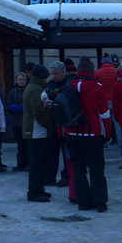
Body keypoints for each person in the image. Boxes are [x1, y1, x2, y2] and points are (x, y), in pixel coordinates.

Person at [63, 56, 113, 212]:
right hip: (92, 133)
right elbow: (104, 113)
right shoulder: (97, 87)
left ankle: (83, 201)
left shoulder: (69, 86)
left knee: (78, 169)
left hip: (72, 133)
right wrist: (108, 133)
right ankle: (100, 202)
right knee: (97, 169)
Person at [23, 64, 53, 201]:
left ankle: (38, 189)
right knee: (37, 162)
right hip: (36, 131)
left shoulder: (32, 87)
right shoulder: (36, 89)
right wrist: (49, 125)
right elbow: (38, 112)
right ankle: (35, 192)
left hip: (34, 130)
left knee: (38, 161)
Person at [42, 61, 70, 190]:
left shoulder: (68, 84)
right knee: (52, 150)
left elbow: (61, 98)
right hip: (53, 122)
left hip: (65, 123)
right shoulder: (50, 83)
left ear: (63, 72)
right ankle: (49, 177)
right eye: (51, 73)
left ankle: (66, 176)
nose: (53, 76)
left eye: (56, 74)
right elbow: (46, 94)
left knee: (66, 151)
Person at [7, 71, 29, 170]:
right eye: (20, 79)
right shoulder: (13, 92)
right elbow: (8, 105)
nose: (22, 81)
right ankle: (21, 164)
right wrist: (17, 108)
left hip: (27, 122)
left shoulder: (28, 90)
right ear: (16, 80)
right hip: (17, 122)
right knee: (20, 145)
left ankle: (28, 164)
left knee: (28, 145)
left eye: (23, 79)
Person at [96, 56, 119, 144]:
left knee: (105, 122)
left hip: (103, 101)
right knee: (117, 121)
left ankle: (105, 142)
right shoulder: (116, 71)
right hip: (115, 100)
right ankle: (121, 142)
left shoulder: (97, 72)